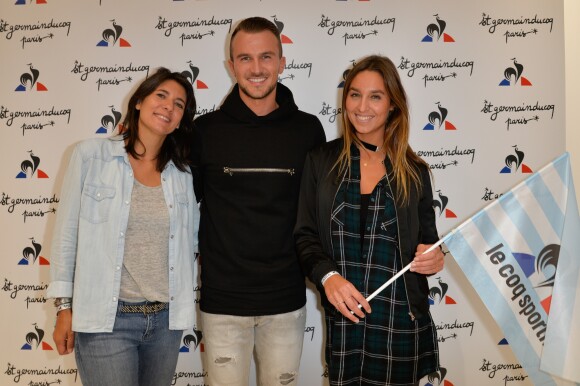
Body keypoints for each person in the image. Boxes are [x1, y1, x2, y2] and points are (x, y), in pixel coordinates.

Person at [190, 16, 326, 386]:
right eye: (245, 59)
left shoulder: (309, 130)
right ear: (231, 65)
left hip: (285, 301)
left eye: (266, 57)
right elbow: (181, 207)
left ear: (282, 63)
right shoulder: (204, 131)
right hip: (222, 304)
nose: (256, 68)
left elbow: (319, 213)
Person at [294, 55, 445, 385]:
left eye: (375, 96)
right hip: (345, 319)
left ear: (393, 105)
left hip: (399, 320)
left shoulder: (414, 171)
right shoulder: (321, 161)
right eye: (354, 94)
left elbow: (429, 242)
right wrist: (328, 276)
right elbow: (305, 235)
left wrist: (434, 257)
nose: (362, 106)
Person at [47, 67, 199, 386]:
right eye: (161, 95)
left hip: (165, 323)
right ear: (139, 101)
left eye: (179, 104)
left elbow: (190, 245)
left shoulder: (182, 176)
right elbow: (66, 235)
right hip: (106, 321)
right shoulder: (91, 157)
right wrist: (64, 306)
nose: (168, 106)